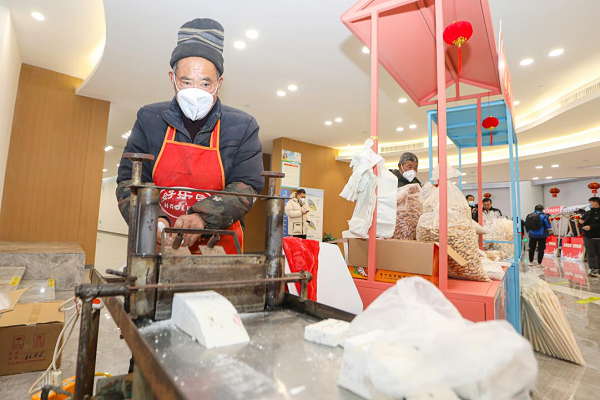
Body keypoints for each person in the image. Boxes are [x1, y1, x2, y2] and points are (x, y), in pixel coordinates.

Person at [116, 18, 264, 253]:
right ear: (172, 79)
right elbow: (128, 181)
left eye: (205, 84)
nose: (195, 92)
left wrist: (202, 218)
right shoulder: (149, 118)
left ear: (219, 83)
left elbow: (247, 187)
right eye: (186, 82)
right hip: (155, 245)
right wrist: (153, 220)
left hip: (218, 248)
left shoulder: (242, 126)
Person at [580, 196, 600, 277]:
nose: (590, 204)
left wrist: (591, 227)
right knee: (590, 253)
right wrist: (581, 221)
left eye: (591, 202)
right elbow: (582, 220)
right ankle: (593, 269)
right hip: (587, 236)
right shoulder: (587, 212)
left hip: (598, 236)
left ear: (596, 202)